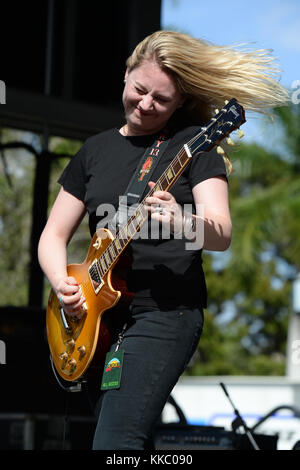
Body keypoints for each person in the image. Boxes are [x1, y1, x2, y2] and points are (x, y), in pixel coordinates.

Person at [38, 30, 289, 450]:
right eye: (139, 90)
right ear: (126, 74)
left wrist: (180, 219)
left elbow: (221, 233)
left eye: (162, 100)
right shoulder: (94, 151)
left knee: (116, 444)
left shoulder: (192, 146)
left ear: (179, 103)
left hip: (165, 313)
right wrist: (59, 281)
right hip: (98, 318)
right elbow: (53, 235)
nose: (146, 104)